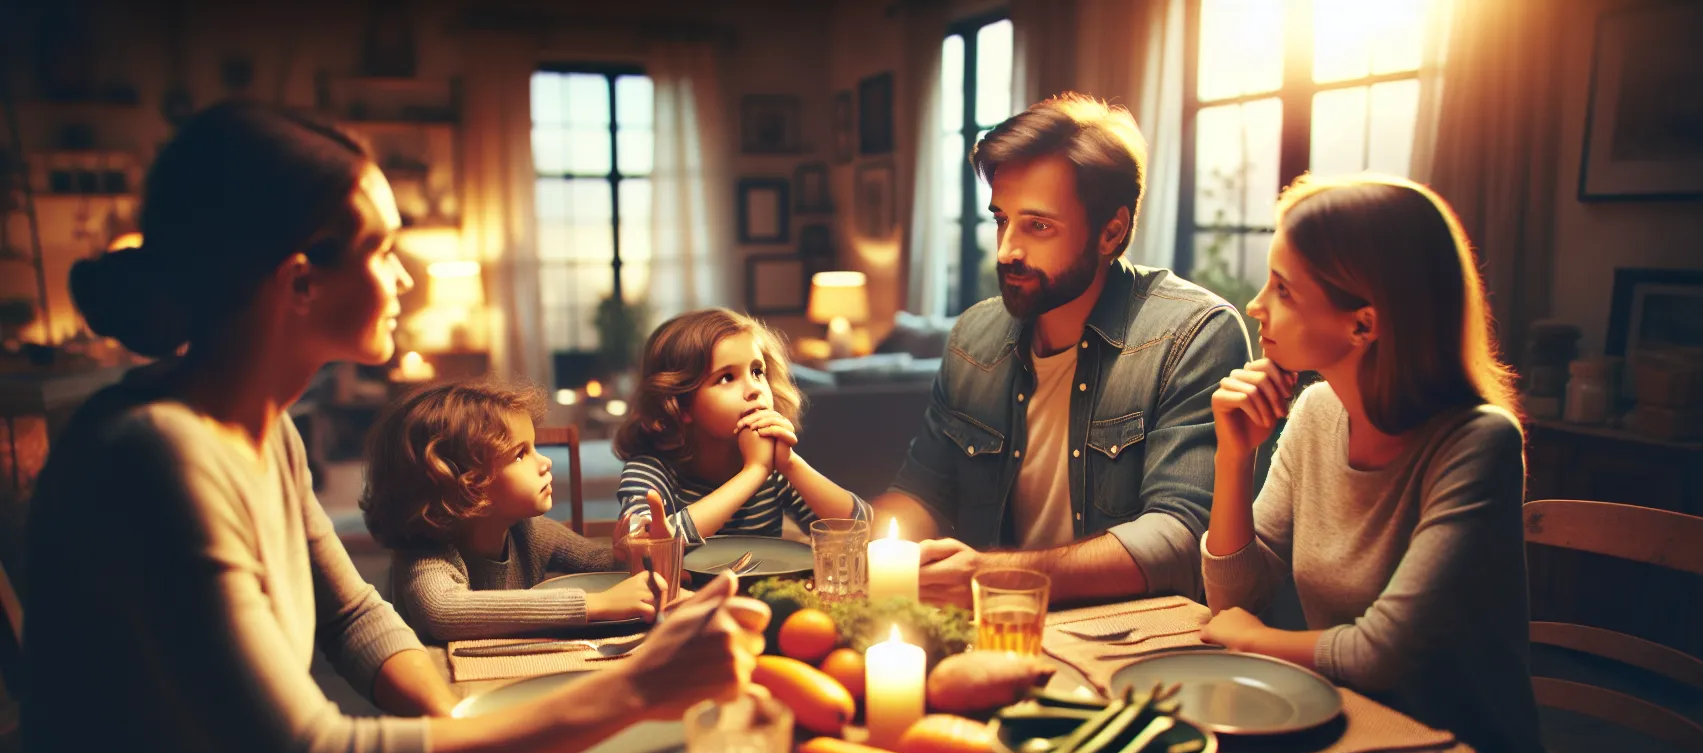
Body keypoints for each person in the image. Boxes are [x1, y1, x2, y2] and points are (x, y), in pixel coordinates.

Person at [1, 101, 765, 753]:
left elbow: (356, 616)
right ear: (299, 282)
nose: (401, 275)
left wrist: (458, 728)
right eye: (381, 249)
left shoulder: (261, 427)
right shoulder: (156, 457)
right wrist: (640, 685)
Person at [1197, 172, 1555, 753]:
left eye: (1283, 289)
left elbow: (1377, 654)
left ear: (1362, 325)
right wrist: (1233, 458)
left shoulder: (1477, 443)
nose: (1256, 305)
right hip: (1348, 741)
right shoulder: (1315, 412)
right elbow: (1234, 599)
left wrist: (1252, 639)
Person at [874, 92, 1250, 607]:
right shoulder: (973, 336)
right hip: (993, 626)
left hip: (1130, 639)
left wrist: (993, 575)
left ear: (1111, 232)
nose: (1007, 250)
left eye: (1038, 225)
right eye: (1001, 220)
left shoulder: (1194, 334)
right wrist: (868, 554)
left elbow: (1179, 538)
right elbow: (922, 491)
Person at [361, 379, 661, 643]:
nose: (545, 463)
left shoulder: (528, 530)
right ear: (461, 481)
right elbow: (443, 611)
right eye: (520, 454)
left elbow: (599, 563)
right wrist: (596, 605)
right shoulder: (427, 553)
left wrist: (626, 555)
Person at [613, 308, 870, 547]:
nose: (755, 389)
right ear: (680, 405)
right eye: (727, 378)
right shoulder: (649, 471)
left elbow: (861, 529)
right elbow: (642, 545)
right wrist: (753, 472)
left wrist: (791, 464)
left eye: (757, 372)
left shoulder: (775, 469)